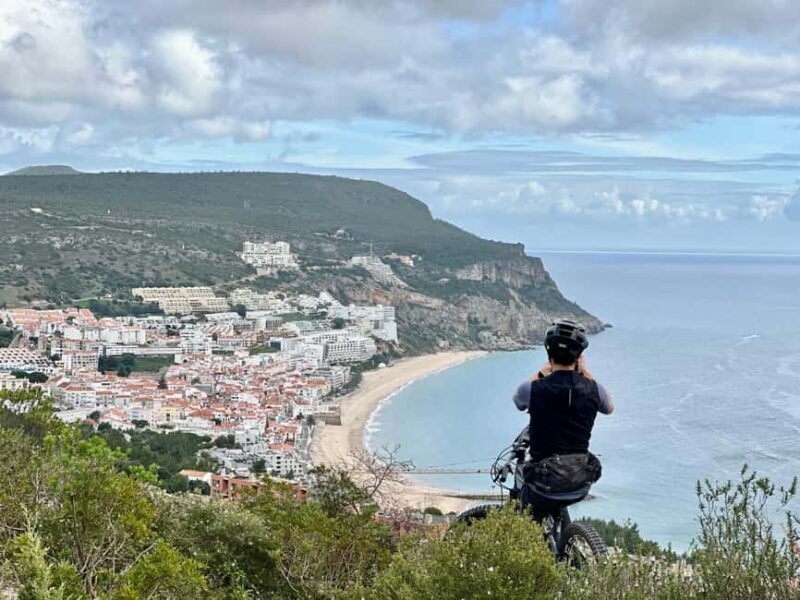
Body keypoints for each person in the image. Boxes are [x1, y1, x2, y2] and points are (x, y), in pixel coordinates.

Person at [512, 318, 614, 522]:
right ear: (579, 357)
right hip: (580, 482)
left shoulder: (533, 389)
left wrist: (543, 372)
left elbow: (517, 399)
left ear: (549, 356)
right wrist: (584, 372)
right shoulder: (594, 389)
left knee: (522, 486)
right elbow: (609, 407)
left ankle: (523, 531)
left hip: (543, 484)